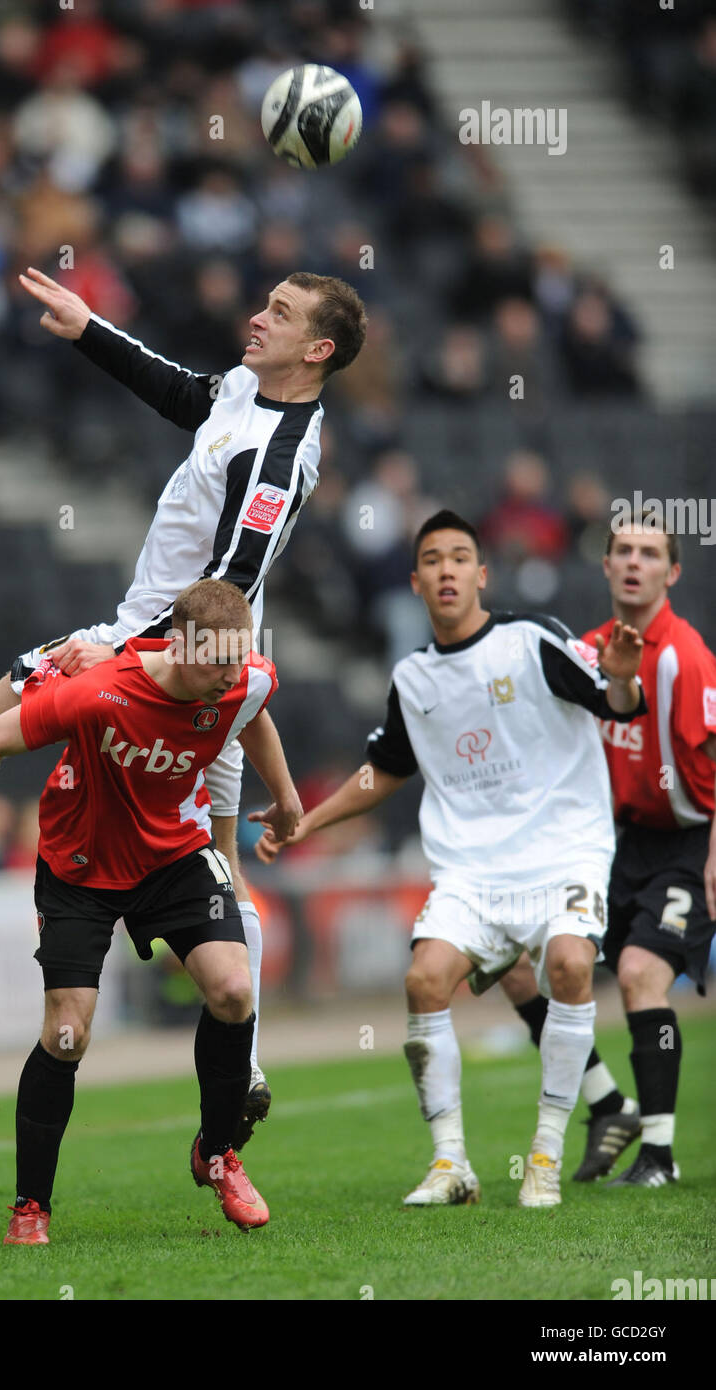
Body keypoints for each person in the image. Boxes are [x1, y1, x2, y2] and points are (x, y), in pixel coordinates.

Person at [0, 265, 367, 1144]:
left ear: (317, 349)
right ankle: (242, 1059)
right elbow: (184, 394)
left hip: (177, 661)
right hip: (185, 655)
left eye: (277, 313)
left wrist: (119, 655)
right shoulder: (244, 394)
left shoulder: (283, 454)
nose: (255, 316)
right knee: (214, 855)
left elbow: (235, 580)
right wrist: (90, 326)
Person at [0, 580, 302, 1241]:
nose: (228, 676)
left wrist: (283, 796)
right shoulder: (99, 689)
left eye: (237, 660)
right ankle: (31, 1207)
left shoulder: (240, 679)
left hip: (172, 855)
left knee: (232, 989)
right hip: (80, 867)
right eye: (216, 663)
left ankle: (218, 1152)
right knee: (67, 1034)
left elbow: (252, 711)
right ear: (175, 643)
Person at [254, 510, 646, 1208]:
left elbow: (612, 702)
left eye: (459, 558)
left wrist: (619, 680)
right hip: (472, 869)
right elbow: (384, 768)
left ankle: (545, 1157)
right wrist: (303, 822)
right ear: (414, 581)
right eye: (431, 560)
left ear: (480, 574)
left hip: (562, 850)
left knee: (568, 966)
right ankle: (450, 1165)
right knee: (424, 980)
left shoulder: (532, 641)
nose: (445, 570)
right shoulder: (412, 678)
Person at [498, 519, 716, 1188]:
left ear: (670, 574)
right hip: (602, 844)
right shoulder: (586, 650)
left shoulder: (683, 655)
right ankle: (606, 1103)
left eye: (649, 554)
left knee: (637, 976)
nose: (633, 562)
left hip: (684, 842)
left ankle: (658, 1155)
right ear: (603, 565)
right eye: (622, 550)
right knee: (510, 960)